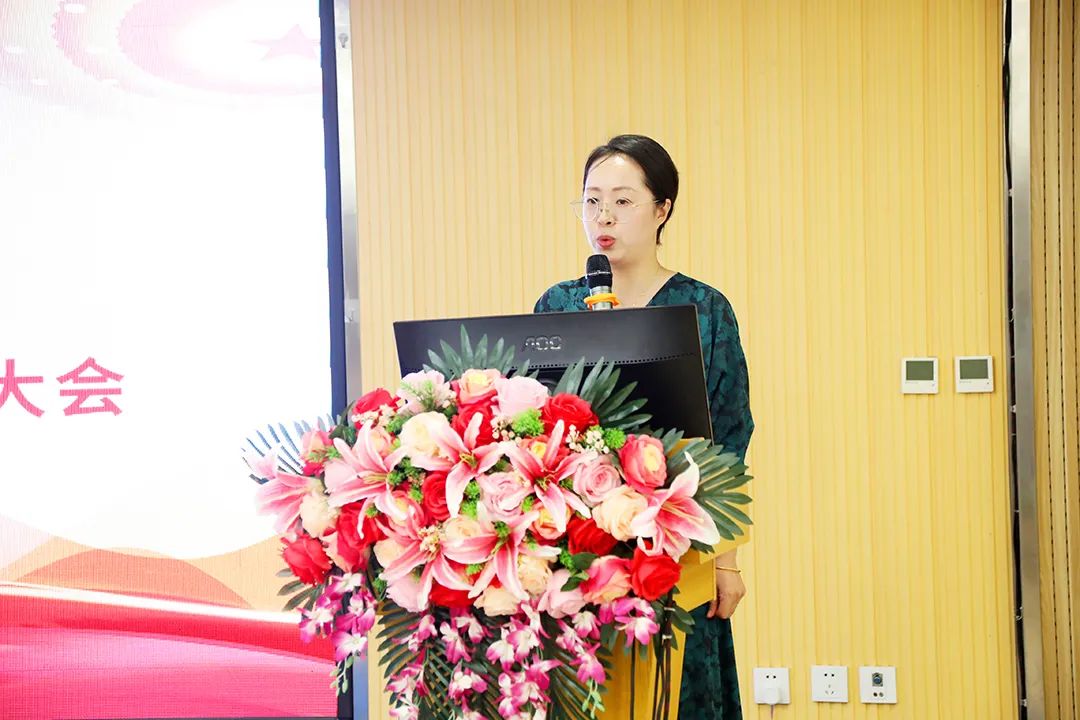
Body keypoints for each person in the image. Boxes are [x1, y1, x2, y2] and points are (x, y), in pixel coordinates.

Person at [533, 134, 754, 719]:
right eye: (591, 200)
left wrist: (727, 562)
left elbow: (730, 437)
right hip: (579, 551)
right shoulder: (557, 306)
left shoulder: (704, 308)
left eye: (623, 200)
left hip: (677, 546)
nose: (603, 216)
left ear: (662, 209)